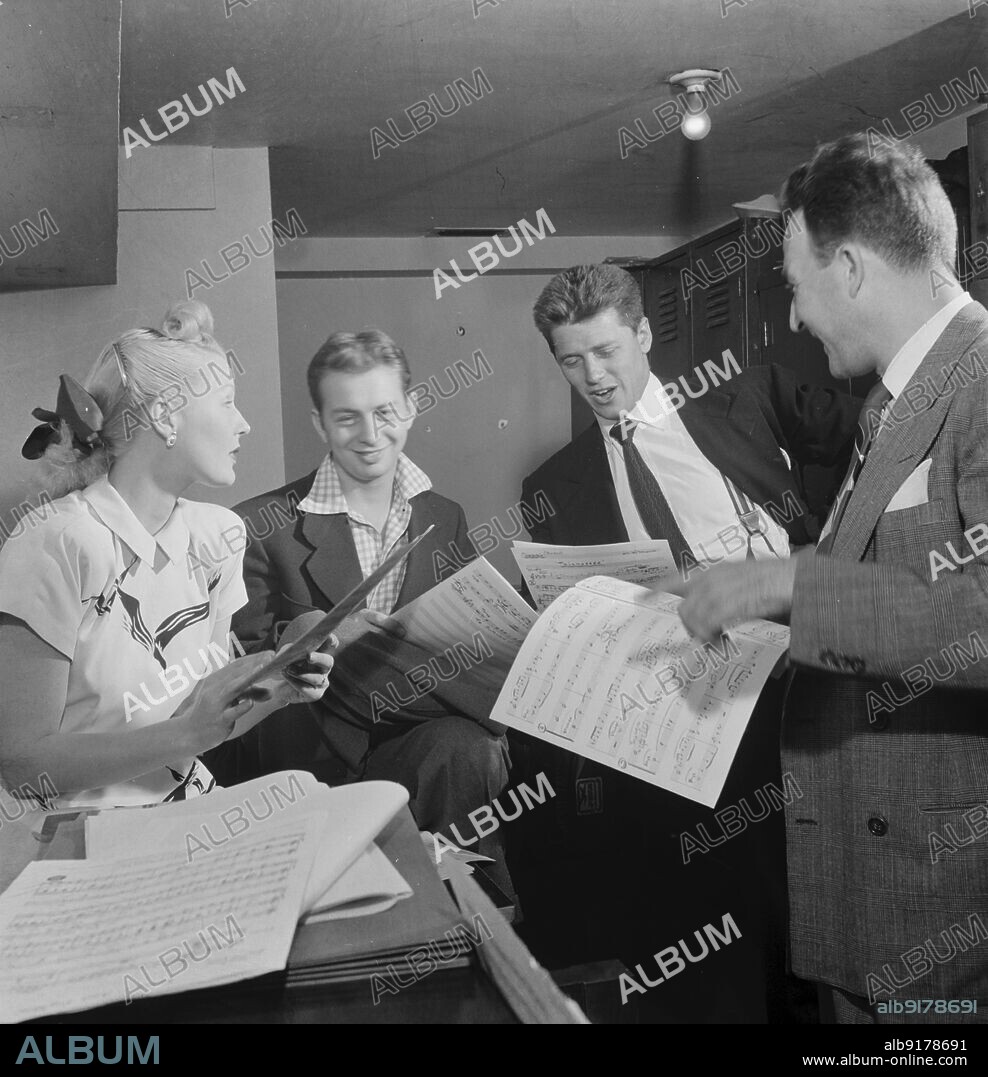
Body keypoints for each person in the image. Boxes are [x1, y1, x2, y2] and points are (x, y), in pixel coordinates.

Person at [675, 134, 988, 1024]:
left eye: (794, 282)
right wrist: (758, 601)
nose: (796, 314)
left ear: (847, 266)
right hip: (862, 894)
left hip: (942, 909)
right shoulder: (891, 402)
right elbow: (892, 580)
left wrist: (790, 587)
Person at [511, 263, 860, 1022]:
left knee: (773, 886)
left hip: (789, 666)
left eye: (606, 351)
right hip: (666, 699)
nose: (594, 376)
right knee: (678, 896)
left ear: (643, 335)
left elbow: (877, 443)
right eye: (571, 360)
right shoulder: (556, 482)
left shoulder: (754, 396)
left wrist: (810, 563)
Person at [0, 301, 333, 810]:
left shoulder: (217, 535)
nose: (243, 424)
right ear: (164, 415)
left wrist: (282, 680)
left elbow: (204, 721)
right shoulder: (57, 539)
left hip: (189, 809)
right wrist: (186, 736)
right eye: (226, 403)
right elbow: (24, 767)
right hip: (75, 838)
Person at [211, 329, 512, 887]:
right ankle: (529, 707)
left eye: (386, 412)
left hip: (416, 745)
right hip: (315, 745)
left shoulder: (443, 516)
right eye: (348, 418)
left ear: (413, 407)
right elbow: (241, 671)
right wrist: (323, 633)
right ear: (320, 423)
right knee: (485, 707)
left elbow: (476, 630)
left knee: (469, 748)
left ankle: (480, 920)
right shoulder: (260, 525)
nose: (371, 435)